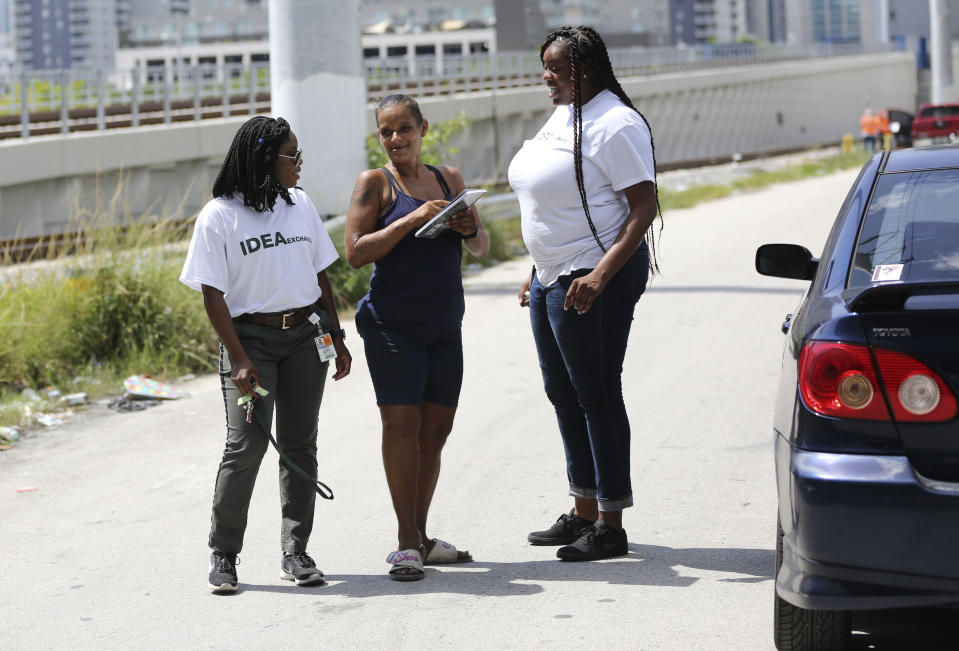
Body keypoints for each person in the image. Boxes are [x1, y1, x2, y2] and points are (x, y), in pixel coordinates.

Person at [179, 115, 352, 593]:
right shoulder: (220, 215)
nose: (300, 164)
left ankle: (295, 551)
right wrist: (237, 358)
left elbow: (320, 276)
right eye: (292, 155)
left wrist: (336, 337)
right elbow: (212, 294)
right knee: (246, 447)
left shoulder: (299, 204)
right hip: (249, 343)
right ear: (265, 160)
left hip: (304, 338)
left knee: (300, 445)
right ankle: (224, 554)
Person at [508, 26, 661, 561]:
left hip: (594, 277)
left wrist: (598, 276)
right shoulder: (567, 114)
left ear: (585, 70)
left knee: (596, 391)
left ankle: (611, 524)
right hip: (554, 274)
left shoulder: (614, 123)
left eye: (554, 68)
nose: (545, 76)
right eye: (544, 66)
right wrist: (537, 265)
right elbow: (561, 204)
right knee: (562, 392)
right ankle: (583, 511)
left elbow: (643, 208)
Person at [345, 94, 490, 581]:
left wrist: (468, 226)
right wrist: (412, 218)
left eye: (403, 129)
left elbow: (482, 246)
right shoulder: (374, 184)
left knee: (437, 432)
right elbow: (355, 253)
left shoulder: (450, 179)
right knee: (402, 430)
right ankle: (406, 541)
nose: (395, 140)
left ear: (422, 127)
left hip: (444, 324)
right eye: (385, 132)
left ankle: (421, 536)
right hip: (392, 327)